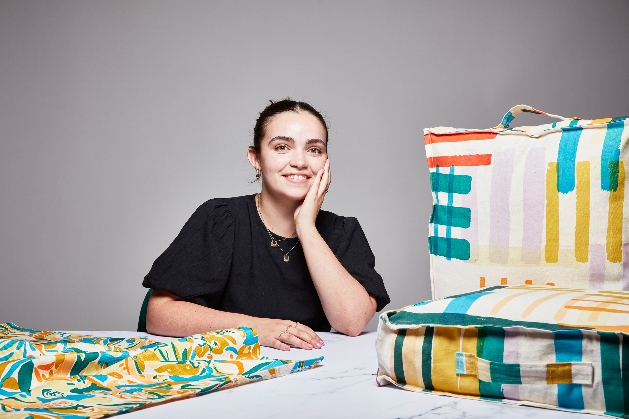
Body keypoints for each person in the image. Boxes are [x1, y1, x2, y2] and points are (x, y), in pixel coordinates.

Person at [142, 99, 390, 351]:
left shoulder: (343, 231)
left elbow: (352, 322)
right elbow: (158, 314)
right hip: (230, 372)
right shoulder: (221, 218)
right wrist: (253, 329)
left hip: (311, 376)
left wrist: (306, 226)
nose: (300, 162)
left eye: (314, 149)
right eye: (282, 147)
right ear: (256, 158)